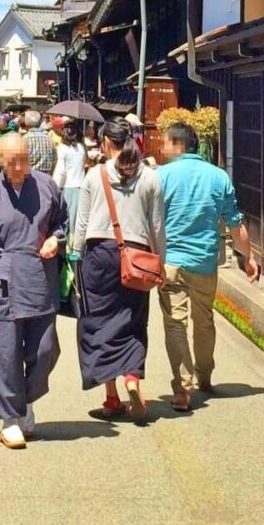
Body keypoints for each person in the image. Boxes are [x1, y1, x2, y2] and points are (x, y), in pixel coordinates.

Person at [0, 131, 69, 449]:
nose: (21, 166)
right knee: (5, 354)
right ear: (0, 162)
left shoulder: (47, 186)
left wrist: (56, 238)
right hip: (2, 281)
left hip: (39, 278)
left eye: (24, 159)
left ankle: (25, 400)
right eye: (14, 161)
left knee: (46, 349)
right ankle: (11, 418)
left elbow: (61, 221)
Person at [157, 120, 261, 410]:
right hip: (205, 261)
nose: (161, 147)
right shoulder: (218, 177)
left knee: (175, 324)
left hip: (171, 262)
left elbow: (149, 220)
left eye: (165, 142)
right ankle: (204, 376)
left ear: (177, 145)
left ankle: (181, 389)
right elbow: (235, 222)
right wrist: (249, 257)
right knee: (204, 321)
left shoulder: (160, 176)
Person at [73, 119, 165, 420]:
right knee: (133, 321)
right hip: (137, 257)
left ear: (105, 144)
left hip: (100, 255)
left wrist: (75, 257)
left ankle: (111, 397)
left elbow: (82, 222)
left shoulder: (94, 175)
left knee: (98, 323)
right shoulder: (150, 177)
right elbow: (156, 227)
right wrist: (159, 263)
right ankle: (132, 379)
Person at [51, 119, 88, 224]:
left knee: (67, 220)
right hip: (81, 186)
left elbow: (61, 171)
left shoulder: (62, 149)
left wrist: (55, 188)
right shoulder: (82, 147)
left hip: (68, 187)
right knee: (78, 220)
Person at [22, 109, 56, 178]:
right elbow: (54, 159)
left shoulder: (24, 139)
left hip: (30, 178)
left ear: (26, 123)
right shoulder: (49, 139)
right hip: (46, 177)